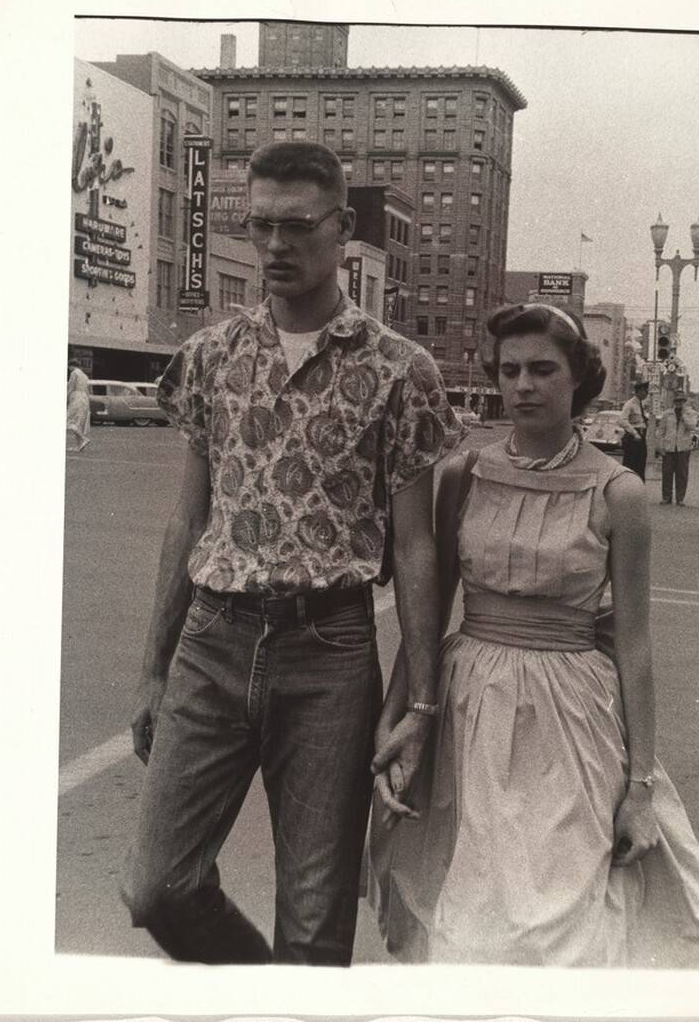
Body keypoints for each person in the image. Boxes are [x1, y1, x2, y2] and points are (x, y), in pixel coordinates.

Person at [120, 141, 465, 966]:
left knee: (313, 923)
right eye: (260, 224)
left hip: (330, 653)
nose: (275, 245)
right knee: (156, 887)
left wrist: (419, 706)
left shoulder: (398, 370)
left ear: (343, 229)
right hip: (213, 639)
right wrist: (153, 666)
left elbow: (417, 547)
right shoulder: (211, 356)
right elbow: (187, 520)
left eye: (296, 226)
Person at [370, 303, 699, 968]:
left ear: (578, 379)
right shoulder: (464, 474)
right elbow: (430, 608)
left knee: (562, 917)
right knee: (474, 908)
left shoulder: (617, 491)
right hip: (470, 711)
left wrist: (640, 786)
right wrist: (401, 715)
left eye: (542, 369)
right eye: (509, 370)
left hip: (572, 720)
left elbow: (634, 644)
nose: (523, 385)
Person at [656, 393, 698, 505]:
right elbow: (661, 431)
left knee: (682, 474)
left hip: (683, 448)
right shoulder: (667, 414)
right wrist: (660, 446)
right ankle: (666, 497)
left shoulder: (691, 413)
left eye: (681, 401)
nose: (679, 403)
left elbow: (692, 426)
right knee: (667, 473)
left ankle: (680, 498)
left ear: (685, 402)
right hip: (669, 447)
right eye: (677, 401)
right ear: (674, 402)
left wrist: (684, 416)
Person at [617, 379, 649, 480]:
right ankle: (628, 489)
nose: (647, 394)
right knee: (630, 465)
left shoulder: (641, 404)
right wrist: (634, 433)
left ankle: (639, 489)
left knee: (640, 464)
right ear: (639, 391)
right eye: (645, 391)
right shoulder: (629, 404)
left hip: (642, 437)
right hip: (633, 438)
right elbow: (622, 420)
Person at [66, 361, 91, 451]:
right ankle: (78, 445)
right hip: (84, 398)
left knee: (69, 421)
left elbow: (71, 387)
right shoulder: (85, 375)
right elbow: (87, 390)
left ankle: (83, 438)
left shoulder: (74, 373)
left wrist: (66, 398)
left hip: (76, 397)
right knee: (79, 422)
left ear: (71, 366)